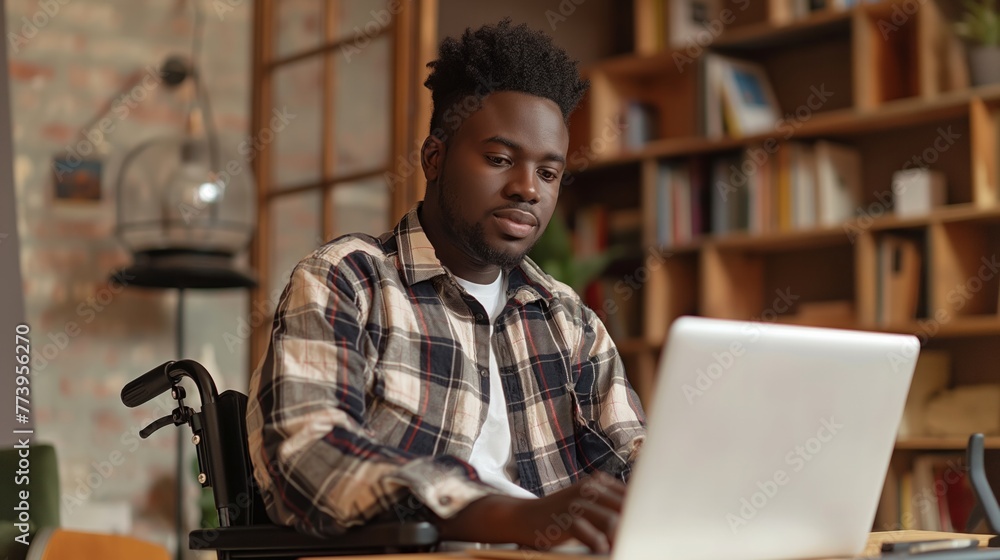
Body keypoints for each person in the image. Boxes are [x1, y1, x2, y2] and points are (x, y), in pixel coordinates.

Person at [246, 19, 646, 553]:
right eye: (500, 160)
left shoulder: (567, 318)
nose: (527, 188)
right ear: (434, 158)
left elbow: (633, 459)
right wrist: (510, 517)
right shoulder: (349, 279)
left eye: (548, 174)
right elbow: (309, 458)